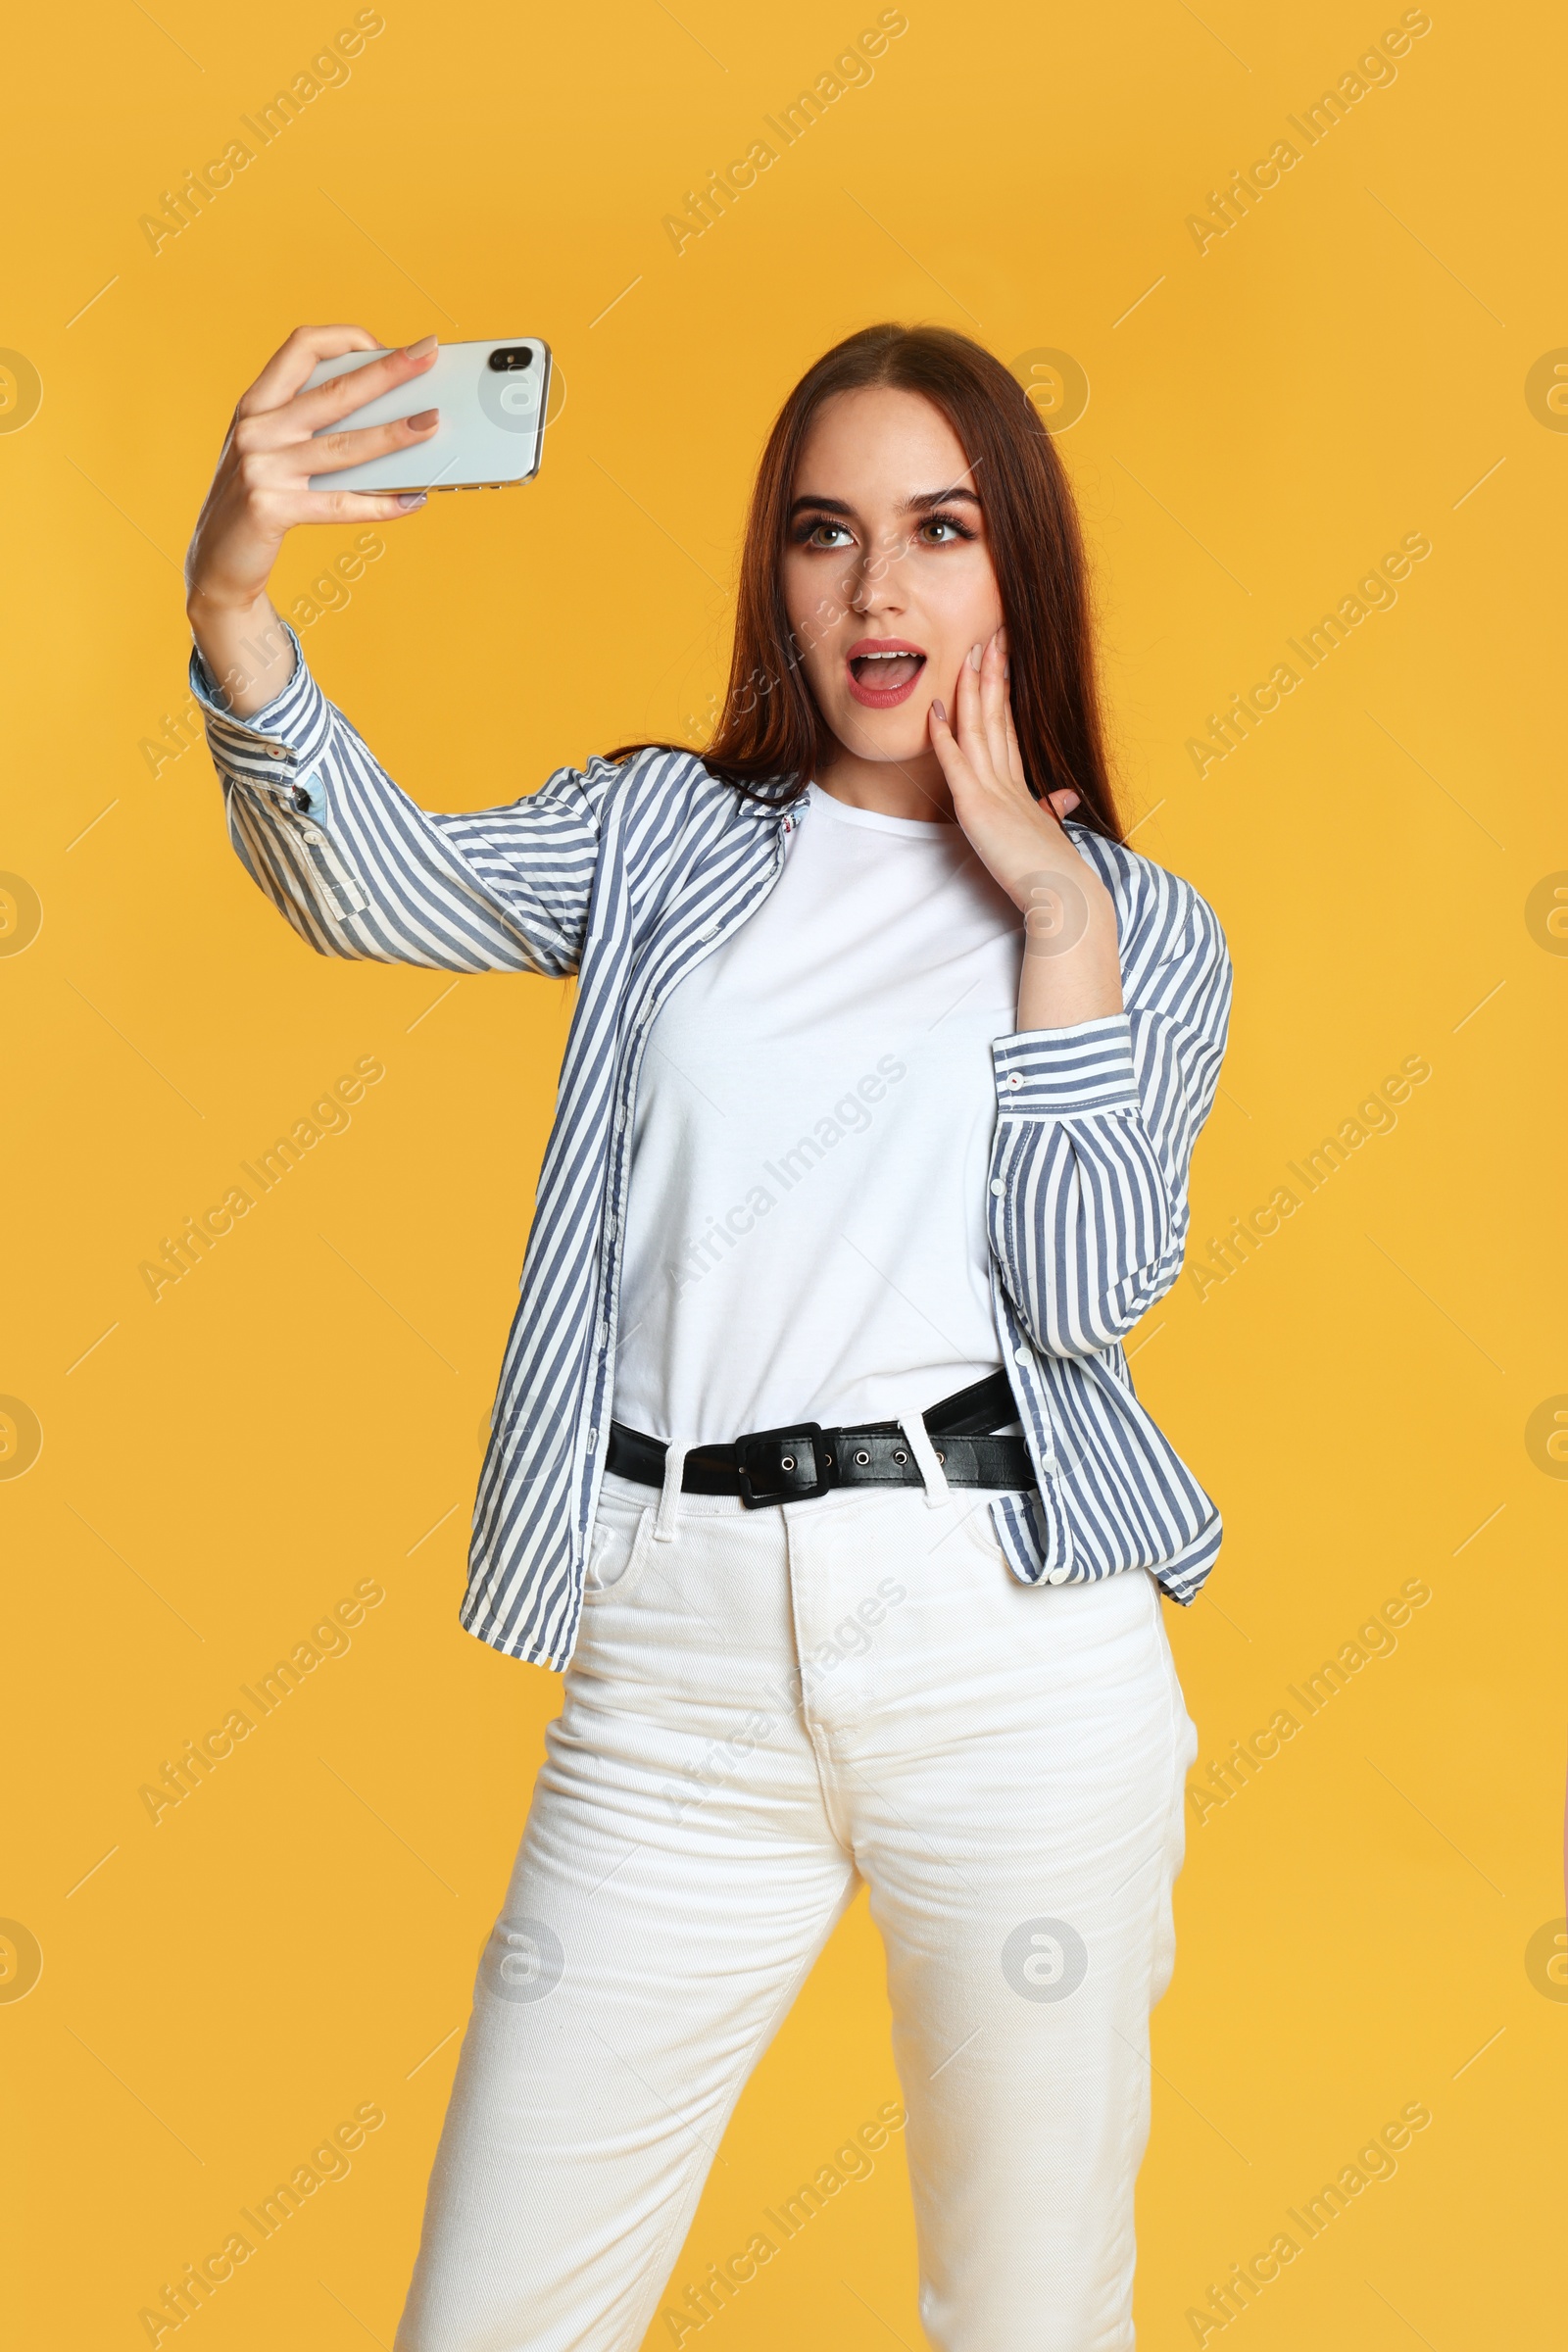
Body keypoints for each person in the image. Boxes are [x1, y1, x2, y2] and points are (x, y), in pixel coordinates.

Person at [184, 318, 1231, 2352]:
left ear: (1011, 562)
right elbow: (374, 890)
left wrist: (1054, 923)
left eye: (936, 530)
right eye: (824, 533)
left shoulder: (1132, 925)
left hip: (1002, 1654)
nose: (877, 589)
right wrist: (233, 603)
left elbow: (1089, 1290)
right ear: (775, 573)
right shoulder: (665, 837)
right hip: (671, 1669)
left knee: (1026, 2317)